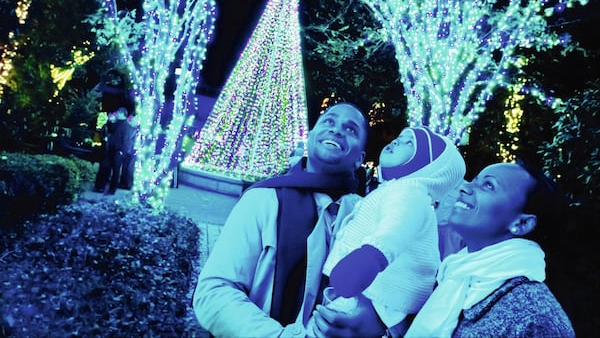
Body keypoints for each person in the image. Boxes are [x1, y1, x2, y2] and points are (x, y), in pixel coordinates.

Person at [193, 102, 381, 337]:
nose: (336, 130)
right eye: (329, 121)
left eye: (351, 129)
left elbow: (390, 296)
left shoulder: (371, 215)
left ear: (359, 158)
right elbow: (215, 290)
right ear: (311, 137)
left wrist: (374, 321)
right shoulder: (262, 200)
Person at [310, 126, 466, 336]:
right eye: (400, 136)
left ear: (429, 164)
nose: (397, 141)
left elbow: (395, 229)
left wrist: (370, 257)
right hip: (370, 289)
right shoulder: (396, 189)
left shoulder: (411, 194)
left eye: (410, 143)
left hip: (380, 294)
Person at [405, 161, 575, 337]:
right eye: (475, 180)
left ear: (521, 223)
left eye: (488, 185)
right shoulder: (454, 275)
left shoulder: (535, 318)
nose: (465, 187)